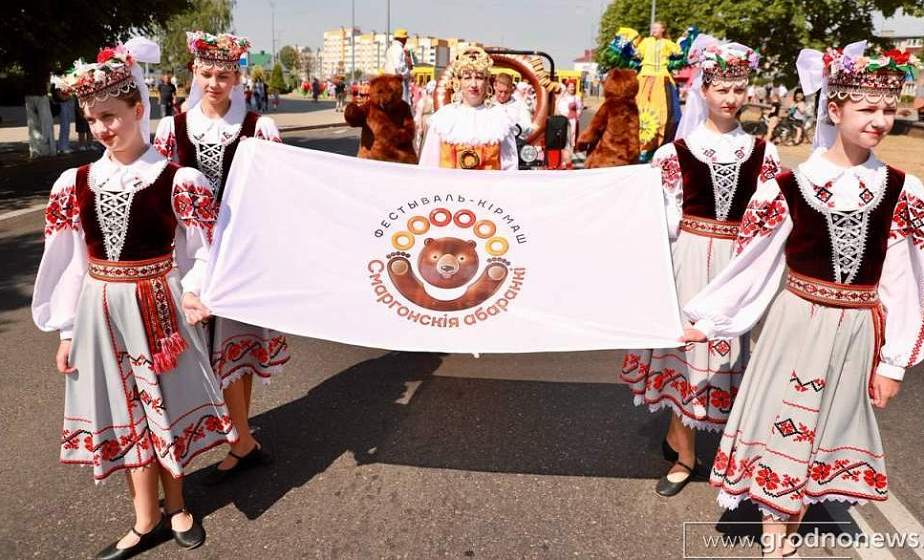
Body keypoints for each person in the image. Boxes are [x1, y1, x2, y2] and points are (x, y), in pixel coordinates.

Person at [683, 42, 922, 557]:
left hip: (858, 327)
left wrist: (895, 362)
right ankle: (776, 534)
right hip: (795, 323)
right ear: (834, 110)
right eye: (867, 108)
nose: (881, 120)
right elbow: (755, 265)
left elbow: (905, 283)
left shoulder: (904, 190)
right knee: (783, 419)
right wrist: (710, 320)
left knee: (826, 423)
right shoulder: (790, 186)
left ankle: (796, 507)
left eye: (889, 109)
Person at [36, 38, 235, 560]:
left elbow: (199, 251)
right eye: (93, 118)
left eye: (111, 115)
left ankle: (179, 507)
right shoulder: (73, 181)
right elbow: (69, 264)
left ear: (138, 109)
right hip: (101, 308)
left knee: (163, 408)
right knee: (124, 414)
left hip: (160, 306)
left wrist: (194, 293)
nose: (103, 128)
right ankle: (144, 519)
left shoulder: (178, 179)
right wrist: (66, 331)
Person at [620, 36, 780, 498]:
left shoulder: (763, 154)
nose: (731, 98)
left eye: (738, 88)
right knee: (686, 354)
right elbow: (666, 221)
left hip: (736, 262)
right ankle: (685, 453)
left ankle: (694, 440)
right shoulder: (674, 154)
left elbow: (768, 219)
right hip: (688, 257)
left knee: (725, 353)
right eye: (721, 88)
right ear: (703, 91)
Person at [154, 31, 289, 485]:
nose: (215, 83)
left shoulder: (257, 127)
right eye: (207, 74)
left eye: (224, 75)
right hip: (190, 252)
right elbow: (160, 192)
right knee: (195, 348)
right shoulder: (171, 128)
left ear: (237, 77)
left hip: (239, 252)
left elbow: (273, 194)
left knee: (236, 346)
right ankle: (232, 437)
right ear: (195, 72)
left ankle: (240, 437)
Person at [418, 46, 517, 170]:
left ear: (487, 82)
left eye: (479, 78)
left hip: (489, 188)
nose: (474, 84)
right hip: (450, 188)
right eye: (467, 78)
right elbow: (428, 165)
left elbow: (510, 167)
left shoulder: (500, 118)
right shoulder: (443, 118)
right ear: (458, 82)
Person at [636, 21, 683, 162]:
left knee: (664, 114)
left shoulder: (667, 43)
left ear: (663, 29)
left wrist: (683, 43)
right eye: (652, 27)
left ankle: (660, 146)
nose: (653, 29)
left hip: (662, 79)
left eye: (657, 27)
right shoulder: (645, 42)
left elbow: (680, 53)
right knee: (642, 110)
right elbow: (637, 54)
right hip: (645, 77)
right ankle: (642, 147)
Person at [493, 72, 533, 139]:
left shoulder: (520, 105)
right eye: (500, 91)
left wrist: (511, 125)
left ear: (511, 89)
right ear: (494, 86)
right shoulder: (487, 104)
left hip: (515, 142)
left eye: (506, 92)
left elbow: (528, 128)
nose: (503, 95)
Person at [384, 28, 413, 104]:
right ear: (402, 39)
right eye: (405, 39)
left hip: (388, 80)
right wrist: (408, 73)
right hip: (398, 81)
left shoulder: (390, 49)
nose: (406, 41)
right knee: (401, 105)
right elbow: (398, 67)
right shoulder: (399, 50)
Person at [555, 79, 583, 152]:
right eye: (570, 87)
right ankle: (564, 151)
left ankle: (571, 151)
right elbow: (557, 105)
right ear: (567, 88)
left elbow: (579, 108)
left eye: (573, 87)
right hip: (563, 120)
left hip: (572, 120)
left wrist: (577, 115)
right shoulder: (563, 98)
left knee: (572, 135)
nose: (572, 88)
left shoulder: (576, 98)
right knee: (564, 135)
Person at [413, 79, 436, 153]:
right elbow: (419, 115)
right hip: (425, 123)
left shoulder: (434, 100)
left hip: (432, 123)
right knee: (424, 141)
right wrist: (420, 127)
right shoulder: (423, 101)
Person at [52, 83, 74, 154]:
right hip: (63, 104)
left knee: (66, 127)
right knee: (65, 127)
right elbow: (61, 97)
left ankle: (63, 146)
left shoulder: (59, 83)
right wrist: (70, 96)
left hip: (65, 104)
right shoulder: (57, 83)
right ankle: (63, 147)